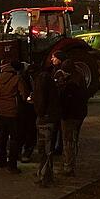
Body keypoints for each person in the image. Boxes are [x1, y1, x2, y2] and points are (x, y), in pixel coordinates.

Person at [33, 51, 66, 187]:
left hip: (45, 119)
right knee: (47, 148)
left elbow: (41, 102)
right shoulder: (49, 78)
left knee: (45, 149)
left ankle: (45, 177)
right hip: (51, 117)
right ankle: (45, 174)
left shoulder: (42, 81)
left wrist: (39, 112)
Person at [0, 59, 28, 174]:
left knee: (1, 137)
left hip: (2, 111)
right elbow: (24, 94)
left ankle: (0, 161)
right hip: (13, 112)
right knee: (14, 139)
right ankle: (12, 165)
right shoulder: (17, 79)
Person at [56, 59, 90, 176]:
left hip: (70, 116)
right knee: (73, 140)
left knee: (68, 141)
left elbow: (66, 102)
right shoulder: (79, 78)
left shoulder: (71, 85)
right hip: (79, 114)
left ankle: (68, 167)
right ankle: (70, 164)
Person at [18, 63, 38, 163]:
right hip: (28, 108)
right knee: (29, 131)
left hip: (22, 109)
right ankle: (25, 153)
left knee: (23, 131)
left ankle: (20, 152)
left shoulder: (20, 77)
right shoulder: (25, 78)